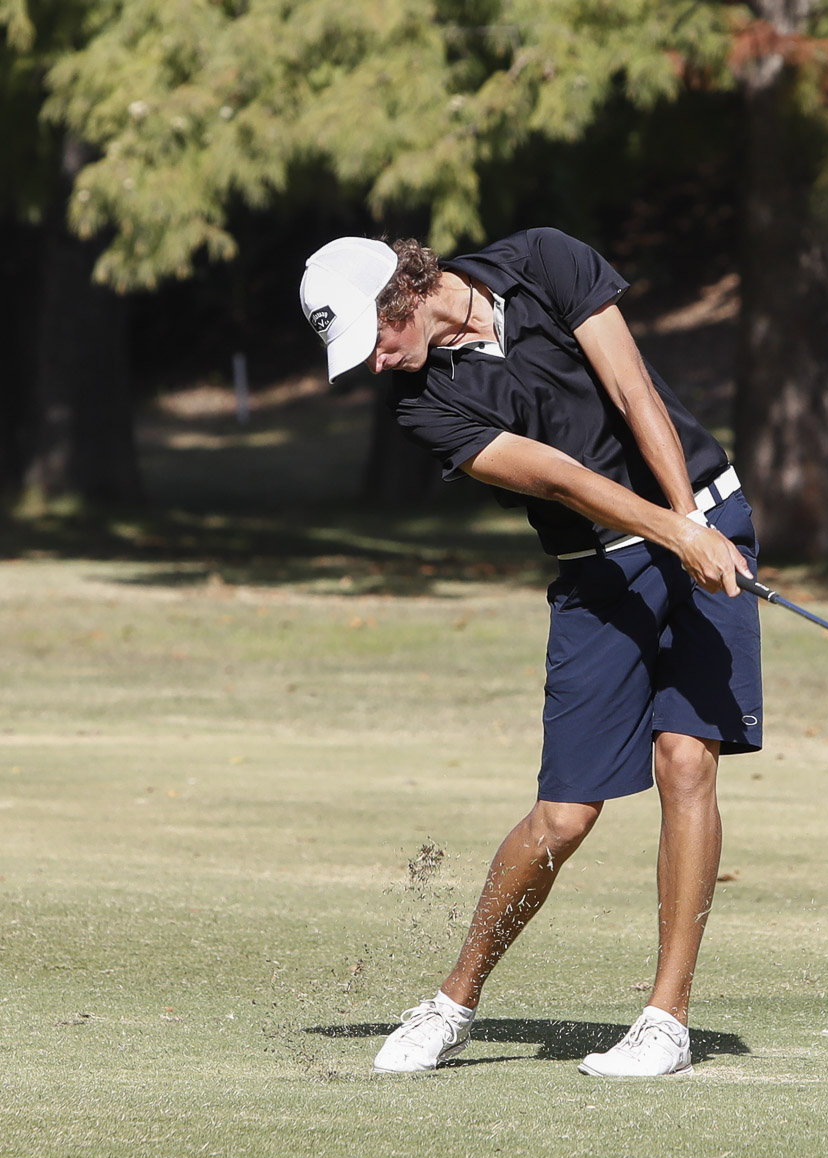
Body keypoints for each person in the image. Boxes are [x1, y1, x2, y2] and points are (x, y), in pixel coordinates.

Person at [299, 229, 760, 1077]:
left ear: (404, 295)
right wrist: (674, 532)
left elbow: (631, 389)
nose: (375, 363)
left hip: (703, 514)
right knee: (564, 814)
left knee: (686, 760)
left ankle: (666, 1021)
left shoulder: (544, 262)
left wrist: (692, 524)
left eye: (376, 340)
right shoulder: (419, 405)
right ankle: (453, 1004)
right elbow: (556, 477)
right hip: (599, 571)